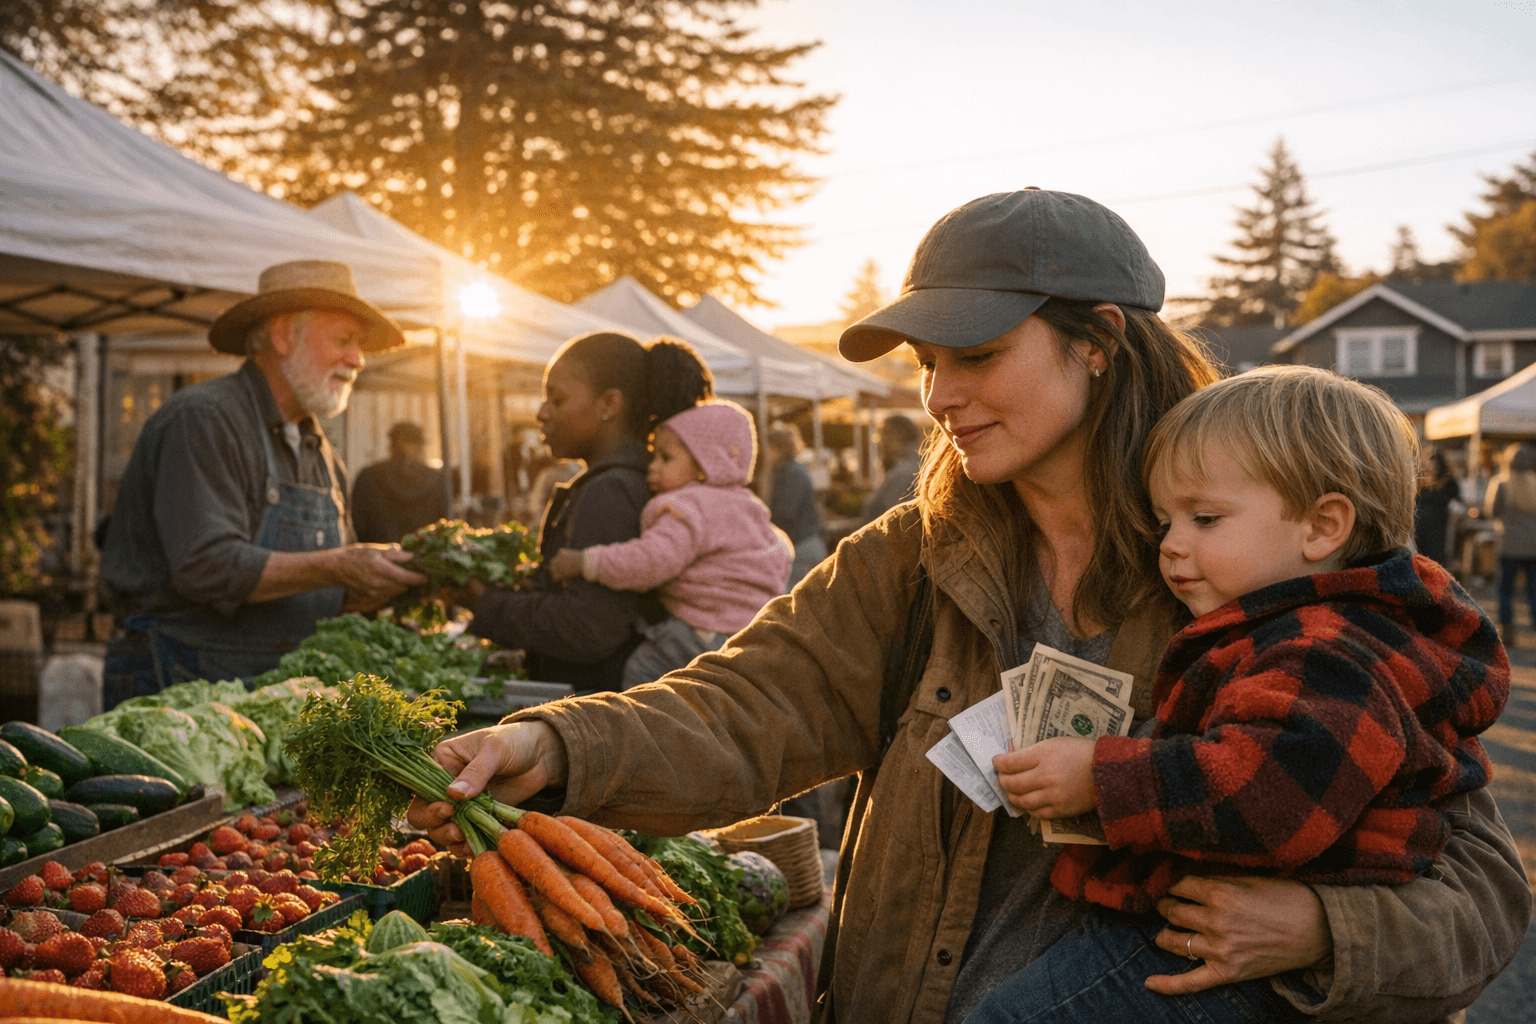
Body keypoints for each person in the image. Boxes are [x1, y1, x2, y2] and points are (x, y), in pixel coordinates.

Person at [408, 191, 1531, 1024]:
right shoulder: (914, 558)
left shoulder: (1261, 564)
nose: (941, 395)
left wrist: (1324, 931)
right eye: (926, 362)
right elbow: (747, 701)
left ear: (1098, 342)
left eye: (979, 355)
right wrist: (551, 739)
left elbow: (1481, 887)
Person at [969, 366, 1509, 1024]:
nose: (1170, 546)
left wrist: (1102, 777)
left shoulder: (1323, 653)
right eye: (1164, 521)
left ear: (1323, 527)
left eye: (1204, 518)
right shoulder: (1317, 632)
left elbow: (1269, 797)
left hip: (1225, 951)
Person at [100, 260, 426, 704]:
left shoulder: (322, 452)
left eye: (360, 346)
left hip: (272, 693)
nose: (357, 360)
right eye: (344, 341)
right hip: (178, 685)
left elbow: (322, 588)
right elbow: (205, 566)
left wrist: (387, 582)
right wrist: (338, 564)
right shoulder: (204, 419)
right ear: (283, 335)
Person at [449, 332, 713, 691]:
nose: (541, 413)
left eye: (556, 400)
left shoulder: (611, 490)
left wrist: (482, 601)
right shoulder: (632, 480)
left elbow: (587, 628)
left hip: (601, 706)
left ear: (608, 404)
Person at [546, 400, 792, 687]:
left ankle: (644, 732)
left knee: (642, 675)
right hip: (751, 632)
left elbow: (649, 562)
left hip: (700, 630)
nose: (652, 468)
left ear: (704, 466)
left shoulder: (686, 508)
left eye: (666, 458)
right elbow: (782, 550)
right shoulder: (748, 505)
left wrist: (583, 562)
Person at [350, 421, 449, 543]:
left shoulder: (369, 475)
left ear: (391, 445)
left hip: (381, 556)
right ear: (419, 446)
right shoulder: (436, 478)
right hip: (426, 555)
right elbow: (445, 522)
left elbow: (357, 524)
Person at [1485, 441, 1536, 641]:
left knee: (1506, 589)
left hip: (1508, 544)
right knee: (1533, 590)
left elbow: (1492, 511)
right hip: (1533, 545)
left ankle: (1507, 631)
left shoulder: (1501, 482)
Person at [766, 425, 826, 586]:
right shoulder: (791, 470)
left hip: (801, 548)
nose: (765, 454)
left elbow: (785, 514)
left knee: (789, 601)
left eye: (768, 448)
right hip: (805, 544)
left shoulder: (792, 472)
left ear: (777, 448)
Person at [859, 414, 925, 523]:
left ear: (895, 437)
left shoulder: (902, 474)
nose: (879, 442)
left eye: (881, 435)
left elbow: (894, 524)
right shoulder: (920, 464)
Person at [1414, 448, 1460, 567]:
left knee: (1434, 563)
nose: (1429, 468)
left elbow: (1457, 502)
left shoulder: (1448, 483)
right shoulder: (1420, 483)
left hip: (1438, 532)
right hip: (1419, 530)